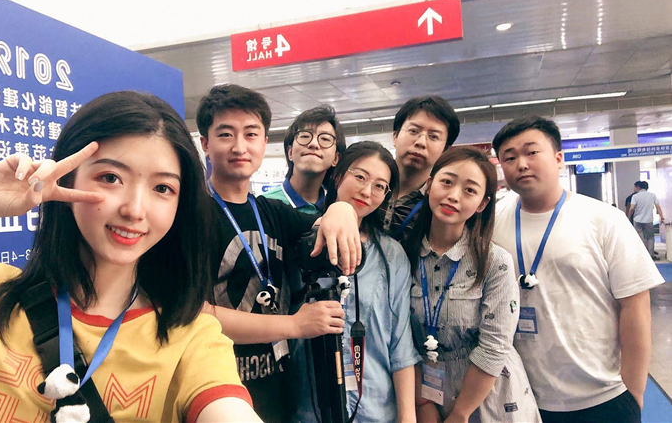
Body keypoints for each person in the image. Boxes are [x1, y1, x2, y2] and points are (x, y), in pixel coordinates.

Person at [0, 91, 260, 423]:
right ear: (67, 181)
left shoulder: (191, 338)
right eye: (110, 178)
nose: (135, 209)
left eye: (162, 188)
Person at [196, 84, 361, 423]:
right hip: (217, 388)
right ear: (205, 144)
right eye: (226, 134)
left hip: (281, 389)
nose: (239, 146)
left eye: (251, 134)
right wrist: (294, 324)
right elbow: (196, 314)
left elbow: (322, 229)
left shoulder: (272, 212)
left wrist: (341, 208)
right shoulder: (190, 217)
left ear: (264, 142)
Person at [492, 116, 663, 423]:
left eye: (532, 152)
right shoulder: (492, 221)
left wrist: (634, 391)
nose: (522, 164)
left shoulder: (603, 219)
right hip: (523, 396)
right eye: (510, 157)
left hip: (602, 395)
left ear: (559, 158)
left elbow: (635, 305)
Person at [403, 147, 540, 423]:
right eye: (447, 182)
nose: (454, 195)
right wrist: (423, 404)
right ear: (429, 185)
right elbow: (402, 340)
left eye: (469, 190)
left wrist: (460, 413)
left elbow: (494, 346)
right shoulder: (404, 256)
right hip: (429, 393)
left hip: (490, 398)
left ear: (481, 204)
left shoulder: (495, 262)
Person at [293, 141, 420, 423]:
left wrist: (407, 416)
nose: (366, 191)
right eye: (360, 176)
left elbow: (400, 343)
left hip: (374, 408)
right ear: (338, 176)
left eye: (379, 186)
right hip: (309, 408)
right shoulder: (303, 239)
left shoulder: (391, 254)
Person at [384, 96, 460, 243]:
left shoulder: (441, 205)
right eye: (413, 131)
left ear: (445, 150)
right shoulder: (367, 186)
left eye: (433, 136)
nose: (421, 142)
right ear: (395, 136)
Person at [262, 105, 346, 215]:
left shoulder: (335, 210)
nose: (314, 144)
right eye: (305, 136)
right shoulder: (263, 206)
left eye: (325, 139)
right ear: (290, 152)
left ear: (336, 158)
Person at [628, 180, 665, 259]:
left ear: (639, 187)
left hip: (637, 220)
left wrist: (628, 217)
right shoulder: (652, 195)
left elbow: (631, 208)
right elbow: (658, 207)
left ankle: (643, 255)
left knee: (640, 237)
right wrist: (662, 217)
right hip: (648, 220)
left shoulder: (635, 196)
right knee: (650, 237)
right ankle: (651, 255)